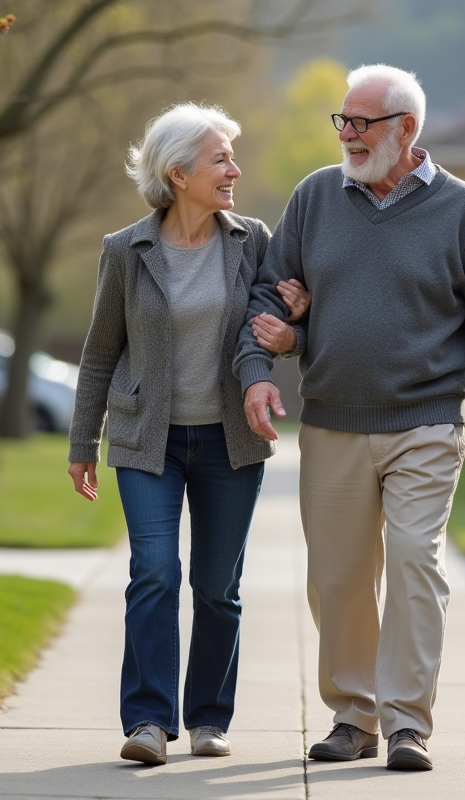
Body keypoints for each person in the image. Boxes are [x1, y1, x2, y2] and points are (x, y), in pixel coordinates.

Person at [236, 65, 465, 772]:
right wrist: (258, 370)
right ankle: (354, 715)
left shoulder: (463, 210)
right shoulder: (315, 198)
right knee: (337, 578)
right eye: (342, 120)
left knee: (414, 563)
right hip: (332, 421)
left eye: (362, 123)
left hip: (426, 421)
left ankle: (406, 723)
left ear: (407, 129)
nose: (348, 134)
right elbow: (268, 297)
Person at [68, 103, 308, 767]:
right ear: (178, 174)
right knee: (154, 571)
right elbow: (99, 353)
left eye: (232, 158)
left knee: (217, 586)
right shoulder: (126, 250)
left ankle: (207, 718)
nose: (235, 170)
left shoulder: (252, 241)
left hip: (230, 442)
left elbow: (271, 328)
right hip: (149, 440)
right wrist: (82, 444)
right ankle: (148, 721)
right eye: (221, 160)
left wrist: (296, 324)